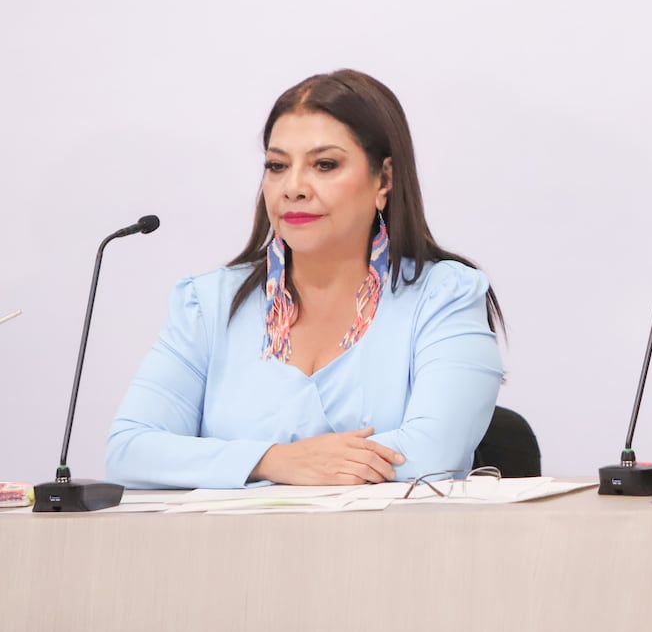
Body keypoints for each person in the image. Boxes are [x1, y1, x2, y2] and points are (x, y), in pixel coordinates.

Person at [107, 70, 504, 489]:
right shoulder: (209, 303)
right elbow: (129, 452)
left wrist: (232, 465)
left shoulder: (445, 296)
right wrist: (273, 460)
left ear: (384, 180)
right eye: (277, 166)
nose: (293, 187)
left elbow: (432, 454)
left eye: (324, 165)